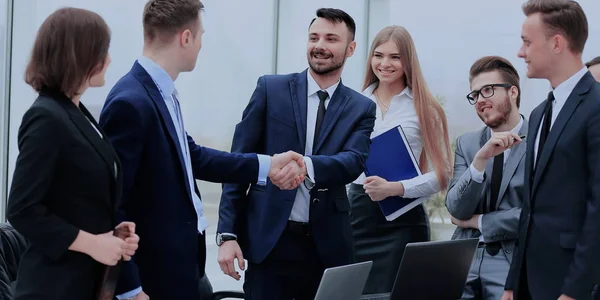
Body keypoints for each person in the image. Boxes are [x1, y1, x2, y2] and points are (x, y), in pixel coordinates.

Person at [98, 1, 304, 299]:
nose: (200, 45)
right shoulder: (131, 102)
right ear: (185, 37)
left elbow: (192, 157)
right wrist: (129, 288)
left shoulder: (159, 93)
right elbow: (114, 204)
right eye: (200, 36)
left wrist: (267, 165)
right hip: (153, 277)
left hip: (182, 268)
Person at [216, 8, 376, 300]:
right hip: (269, 244)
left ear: (350, 48)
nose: (320, 46)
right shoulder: (270, 89)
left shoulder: (361, 107)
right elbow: (239, 164)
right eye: (314, 37)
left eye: (331, 39)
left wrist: (307, 166)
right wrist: (228, 235)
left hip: (327, 249)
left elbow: (353, 161)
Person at [6, 7, 139, 300]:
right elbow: (21, 209)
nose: (109, 59)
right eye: (103, 50)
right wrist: (92, 243)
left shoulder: (75, 112)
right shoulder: (46, 117)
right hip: (53, 287)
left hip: (83, 284)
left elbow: (74, 199)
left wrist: (112, 234)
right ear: (81, 54)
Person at [502, 1, 600, 299]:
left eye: (527, 42)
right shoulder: (540, 112)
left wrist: (573, 291)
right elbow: (530, 210)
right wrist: (512, 284)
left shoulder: (597, 107)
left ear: (557, 43)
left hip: (571, 284)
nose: (521, 52)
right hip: (529, 282)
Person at [348, 25, 452, 294]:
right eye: (378, 55)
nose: (385, 64)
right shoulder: (352, 103)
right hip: (357, 215)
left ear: (408, 61)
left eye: (395, 57)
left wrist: (395, 188)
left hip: (404, 220)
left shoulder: (425, 108)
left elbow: (443, 174)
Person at [445, 55, 526, 300]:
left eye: (488, 90)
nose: (480, 100)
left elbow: (537, 213)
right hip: (462, 258)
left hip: (512, 259)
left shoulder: (541, 141)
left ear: (513, 91)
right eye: (475, 95)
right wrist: (479, 161)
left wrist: (478, 222)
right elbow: (456, 209)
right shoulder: (467, 143)